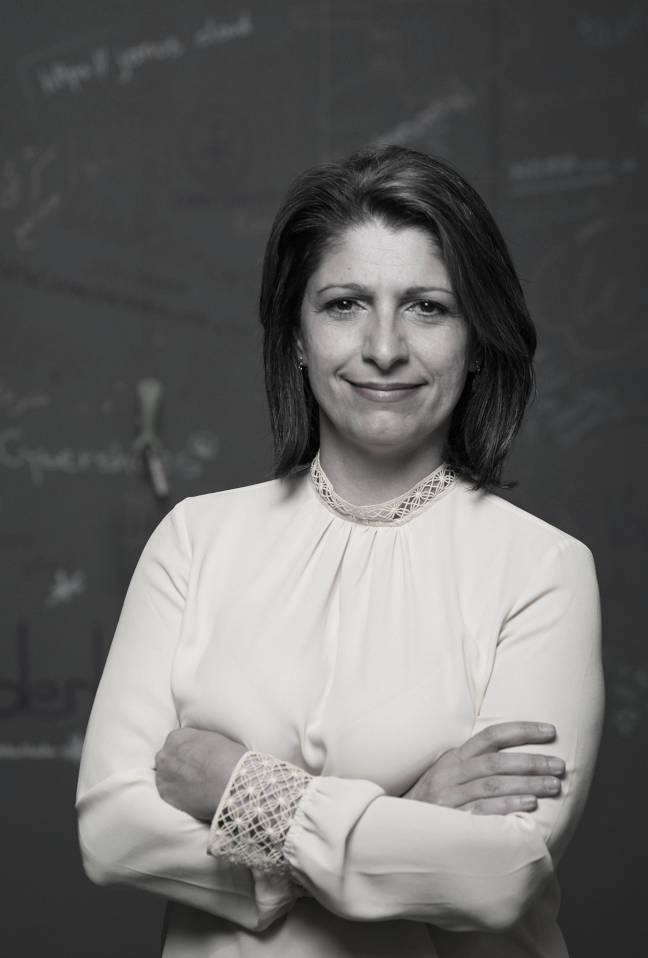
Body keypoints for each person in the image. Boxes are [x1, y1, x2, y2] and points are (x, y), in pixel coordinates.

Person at [76, 145, 604, 958]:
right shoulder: (195, 539)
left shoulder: (542, 569)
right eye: (345, 304)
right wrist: (408, 822)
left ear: (475, 338)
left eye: (428, 307)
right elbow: (112, 831)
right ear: (297, 333)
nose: (384, 346)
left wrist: (239, 792)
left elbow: (497, 878)